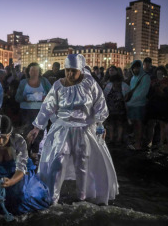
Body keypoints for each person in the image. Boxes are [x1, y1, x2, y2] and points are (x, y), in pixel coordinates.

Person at [28, 54, 118, 205]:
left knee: (82, 163)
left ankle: (82, 197)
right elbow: (47, 107)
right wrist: (36, 127)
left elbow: (99, 103)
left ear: (80, 70)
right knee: (57, 162)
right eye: (67, 70)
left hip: (84, 130)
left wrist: (101, 124)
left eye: (73, 71)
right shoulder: (58, 85)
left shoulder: (89, 83)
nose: (69, 74)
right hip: (62, 130)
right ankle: (52, 199)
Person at [15, 62, 51, 161]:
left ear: (39, 72)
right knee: (27, 131)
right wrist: (24, 98)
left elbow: (52, 94)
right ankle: (26, 151)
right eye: (32, 70)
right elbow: (17, 97)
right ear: (28, 71)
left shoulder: (44, 81)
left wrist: (45, 98)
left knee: (40, 131)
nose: (34, 72)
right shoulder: (23, 82)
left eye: (36, 70)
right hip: (26, 111)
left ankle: (35, 152)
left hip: (41, 111)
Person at [126, 60, 151, 150]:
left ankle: (138, 144)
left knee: (139, 124)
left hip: (140, 105)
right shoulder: (133, 78)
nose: (135, 69)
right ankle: (137, 142)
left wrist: (131, 100)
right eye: (134, 67)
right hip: (132, 105)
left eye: (137, 67)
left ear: (140, 67)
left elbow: (144, 92)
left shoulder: (145, 77)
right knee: (134, 125)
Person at [103, 66, 130, 145]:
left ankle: (118, 138)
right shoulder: (109, 86)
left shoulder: (124, 86)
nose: (115, 84)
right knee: (112, 124)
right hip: (111, 109)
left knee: (119, 124)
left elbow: (128, 95)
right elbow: (105, 95)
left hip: (120, 109)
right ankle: (112, 138)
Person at [145, 66, 168, 149]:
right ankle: (158, 142)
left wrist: (164, 88)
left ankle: (163, 143)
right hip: (155, 105)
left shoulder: (166, 81)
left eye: (161, 73)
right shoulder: (153, 81)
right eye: (158, 73)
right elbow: (149, 94)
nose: (159, 75)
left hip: (164, 105)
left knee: (164, 125)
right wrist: (153, 87)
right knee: (156, 124)